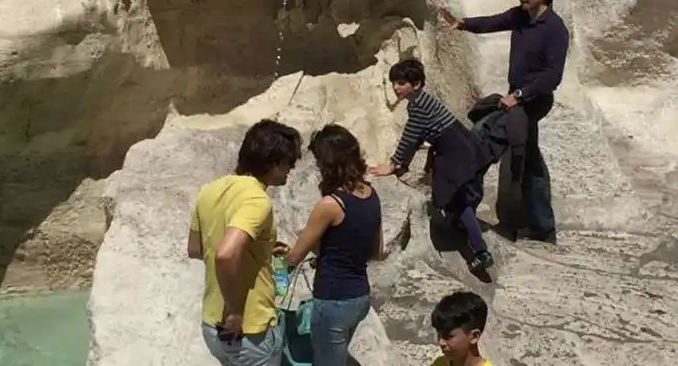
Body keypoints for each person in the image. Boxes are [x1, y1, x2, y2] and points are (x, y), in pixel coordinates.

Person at [440, 0, 569, 243]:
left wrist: (519, 96)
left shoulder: (555, 29)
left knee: (482, 136)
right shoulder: (520, 17)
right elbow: (493, 22)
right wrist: (463, 24)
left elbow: (553, 76)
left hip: (533, 101)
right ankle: (542, 228)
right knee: (530, 162)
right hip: (516, 98)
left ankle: (462, 211)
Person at [187, 119, 302, 366]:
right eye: (289, 164)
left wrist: (260, 250)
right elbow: (226, 254)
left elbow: (196, 249)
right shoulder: (257, 199)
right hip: (249, 329)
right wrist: (235, 311)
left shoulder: (209, 190)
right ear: (273, 162)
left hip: (212, 325)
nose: (290, 170)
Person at [370, 59, 493, 274]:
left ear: (416, 84)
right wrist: (403, 164)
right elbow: (417, 137)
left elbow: (410, 137)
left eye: (401, 83)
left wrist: (393, 164)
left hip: (453, 153)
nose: (396, 88)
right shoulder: (423, 100)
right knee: (460, 196)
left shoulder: (418, 105)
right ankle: (467, 232)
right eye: (394, 83)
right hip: (462, 146)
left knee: (455, 200)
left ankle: (479, 251)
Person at [286, 124, 384, 366]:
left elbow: (293, 258)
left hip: (332, 301)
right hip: (359, 297)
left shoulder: (330, 204)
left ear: (327, 163)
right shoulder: (372, 195)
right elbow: (377, 251)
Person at [429, 290, 492, 366]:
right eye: (439, 334)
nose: (441, 342)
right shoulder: (439, 363)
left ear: (474, 336)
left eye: (448, 336)